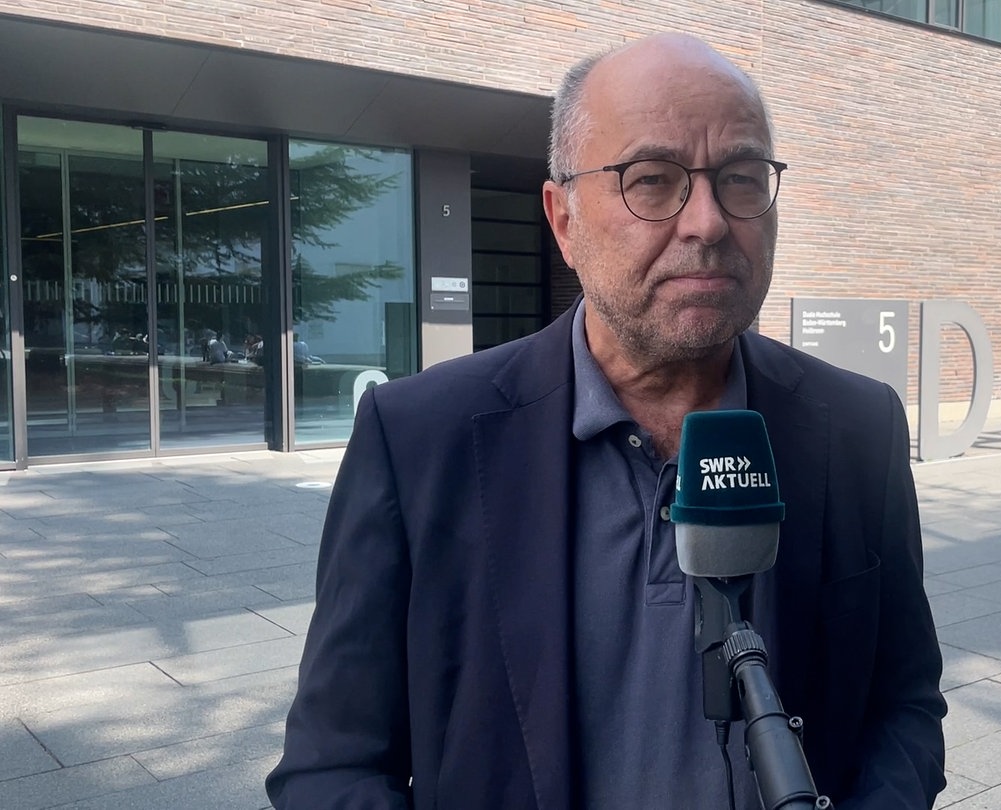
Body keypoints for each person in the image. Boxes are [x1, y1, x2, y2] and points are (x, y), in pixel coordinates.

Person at [267, 33, 945, 809]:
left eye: (741, 178)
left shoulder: (857, 428)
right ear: (563, 219)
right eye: (652, 180)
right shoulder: (418, 438)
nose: (707, 222)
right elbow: (332, 767)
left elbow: (903, 708)